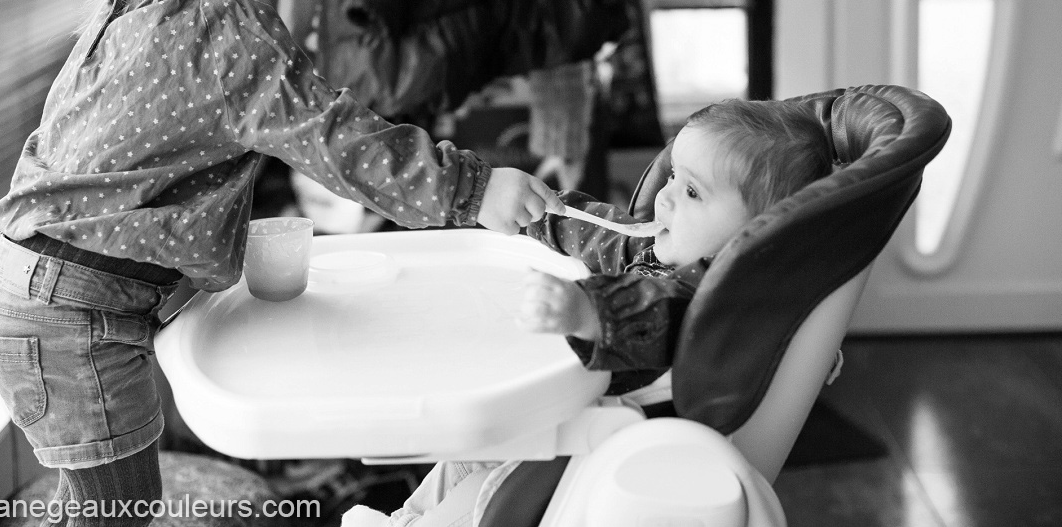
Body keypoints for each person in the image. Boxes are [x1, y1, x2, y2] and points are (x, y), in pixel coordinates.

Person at [0, 0, 563, 526]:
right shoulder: (222, 32)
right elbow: (339, 141)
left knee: (92, 508)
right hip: (74, 319)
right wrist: (476, 191)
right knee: (117, 515)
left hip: (28, 296)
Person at [343, 97, 834, 527]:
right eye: (673, 177)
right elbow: (601, 233)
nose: (663, 197)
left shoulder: (720, 301)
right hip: (558, 421)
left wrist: (589, 310)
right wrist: (540, 214)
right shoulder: (661, 253)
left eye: (691, 192)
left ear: (759, 233)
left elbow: (665, 319)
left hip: (592, 454)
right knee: (458, 458)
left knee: (476, 499)